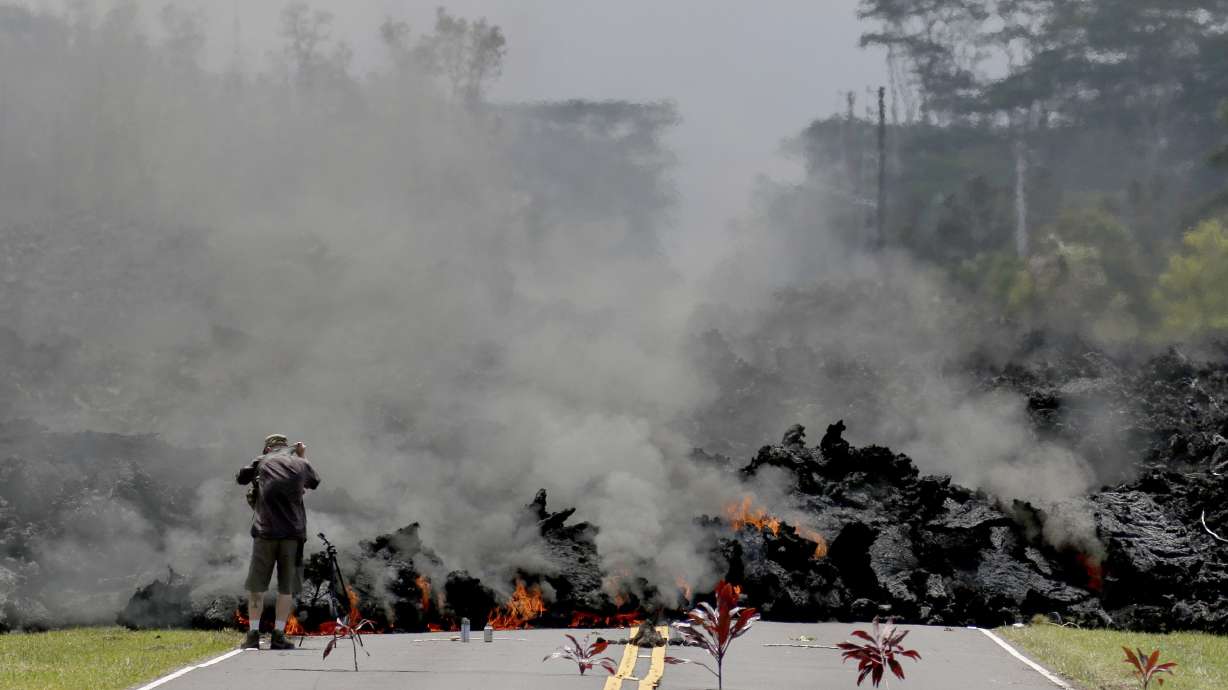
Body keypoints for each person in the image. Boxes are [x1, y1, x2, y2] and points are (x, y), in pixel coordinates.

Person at [236, 433, 320, 650]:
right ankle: (279, 635)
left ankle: (253, 634)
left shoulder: (262, 460)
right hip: (292, 535)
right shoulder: (300, 463)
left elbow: (241, 477)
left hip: (265, 533)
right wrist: (303, 456)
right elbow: (315, 481)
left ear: (267, 449)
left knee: (257, 586)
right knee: (286, 588)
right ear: (288, 447)